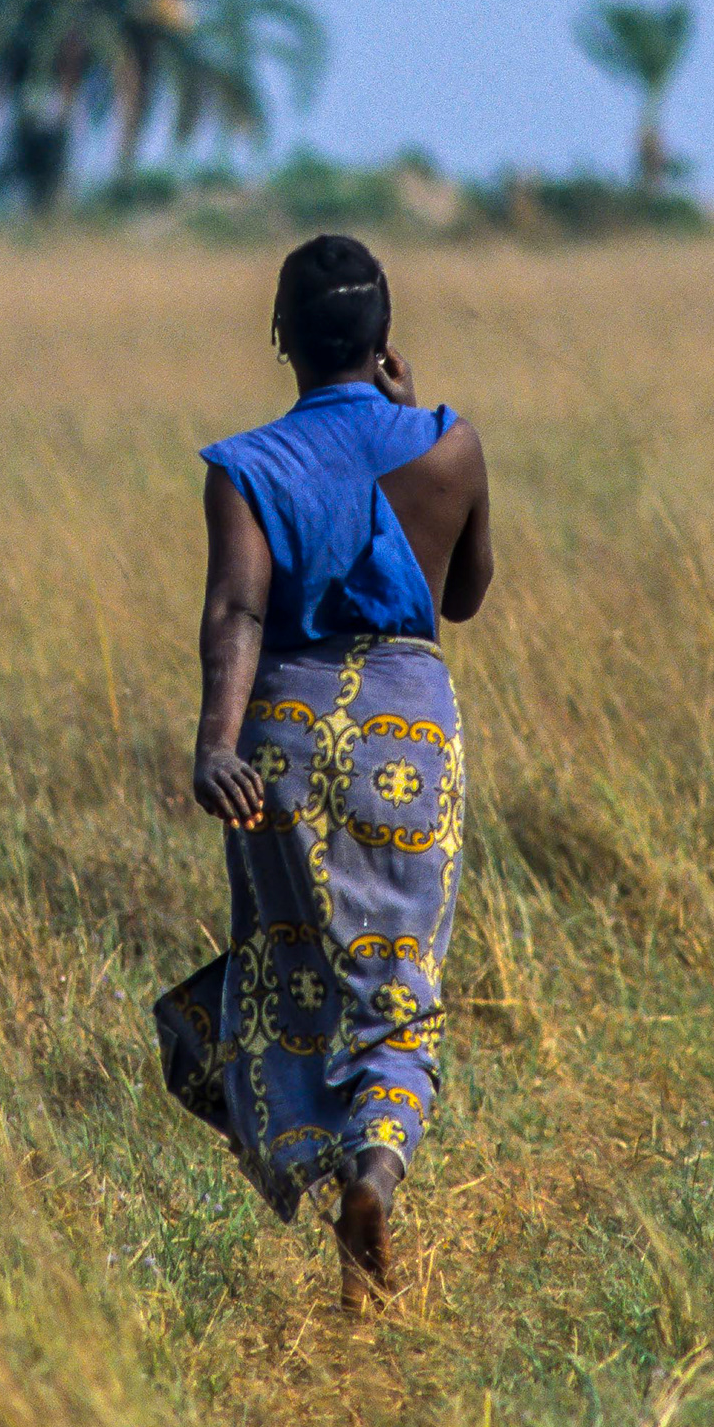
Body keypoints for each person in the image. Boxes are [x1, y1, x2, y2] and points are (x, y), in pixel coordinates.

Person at [155, 234, 495, 1300]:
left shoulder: (247, 466)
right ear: (386, 339)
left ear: (279, 339)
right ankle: (378, 1176)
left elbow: (238, 611)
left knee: (285, 973)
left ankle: (316, 1167)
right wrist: (418, 411)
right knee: (398, 985)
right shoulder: (448, 443)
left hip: (284, 734)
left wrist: (217, 742)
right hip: (409, 729)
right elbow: (466, 594)